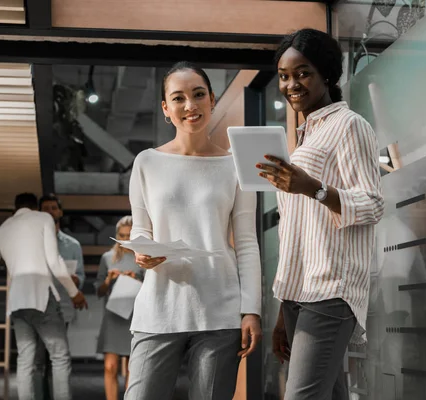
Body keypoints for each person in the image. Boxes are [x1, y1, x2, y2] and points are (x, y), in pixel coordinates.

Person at [256, 28, 384, 400]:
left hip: (332, 289)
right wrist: (283, 308)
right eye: (283, 76)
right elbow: (295, 231)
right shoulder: (305, 136)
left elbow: (373, 204)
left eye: (302, 73)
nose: (291, 84)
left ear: (326, 73)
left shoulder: (350, 126)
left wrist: (313, 187)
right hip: (301, 291)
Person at [124, 61, 263, 400]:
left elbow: (246, 242)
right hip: (158, 307)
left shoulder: (235, 165)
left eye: (199, 94)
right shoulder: (146, 162)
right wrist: (142, 253)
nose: (190, 105)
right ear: (165, 108)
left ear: (212, 99)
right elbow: (141, 229)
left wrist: (252, 310)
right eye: (179, 98)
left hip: (220, 309)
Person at [0, 193, 88, 400]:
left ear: (16, 208)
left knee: (25, 360)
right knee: (59, 357)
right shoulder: (44, 219)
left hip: (16, 302)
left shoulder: (2, 230)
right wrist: (74, 293)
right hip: (41, 296)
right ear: (35, 207)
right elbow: (54, 260)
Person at [34, 194, 86, 400]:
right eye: (45, 208)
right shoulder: (33, 243)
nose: (50, 211)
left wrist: (74, 280)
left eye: (54, 208)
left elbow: (81, 276)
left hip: (62, 305)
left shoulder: (73, 245)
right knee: (39, 361)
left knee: (57, 360)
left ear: (60, 212)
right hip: (38, 305)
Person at [94, 216, 143, 400]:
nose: (125, 240)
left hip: (134, 315)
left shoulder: (142, 257)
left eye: (128, 235)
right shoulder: (107, 258)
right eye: (121, 235)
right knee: (110, 366)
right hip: (113, 315)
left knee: (133, 369)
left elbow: (152, 289)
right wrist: (108, 280)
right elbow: (99, 290)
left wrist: (135, 278)